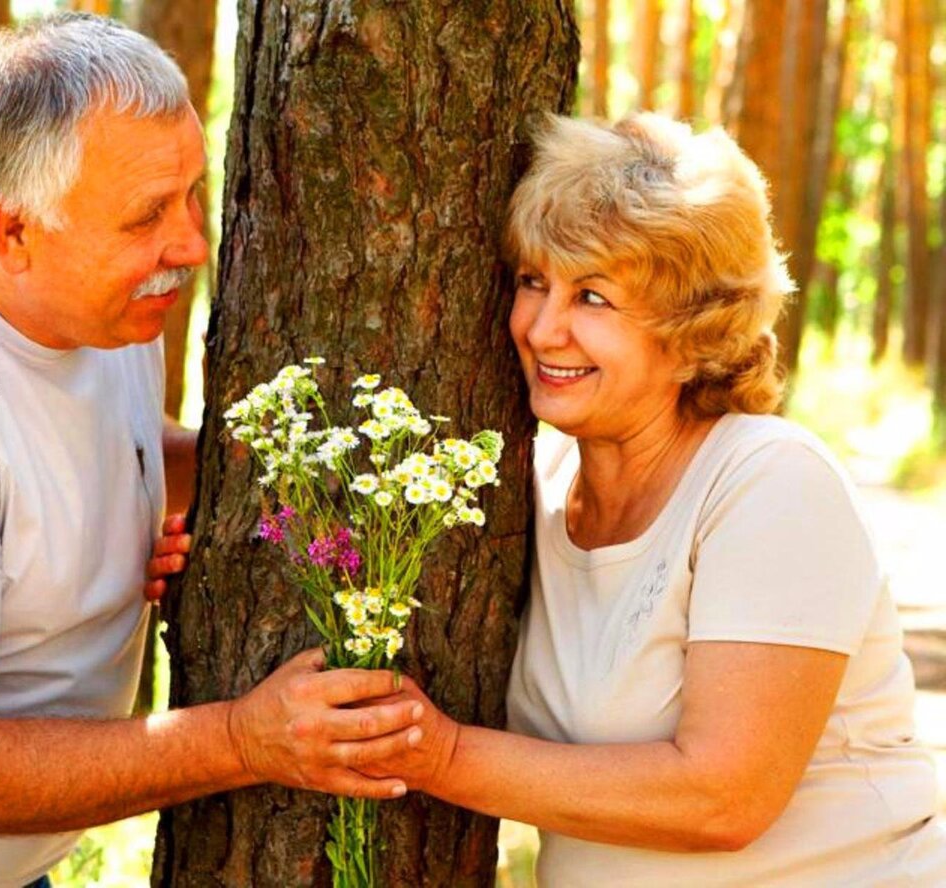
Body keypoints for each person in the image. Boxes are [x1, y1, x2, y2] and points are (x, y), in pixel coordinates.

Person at [0, 14, 423, 888]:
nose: (191, 244)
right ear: (15, 233)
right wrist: (242, 739)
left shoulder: (104, 306)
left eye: (191, 193)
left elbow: (105, 451)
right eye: (146, 215)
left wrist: (253, 496)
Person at [365, 113, 946, 885]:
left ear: (691, 328)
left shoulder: (771, 484)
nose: (542, 329)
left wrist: (436, 757)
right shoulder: (532, 492)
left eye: (593, 297)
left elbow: (722, 798)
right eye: (534, 282)